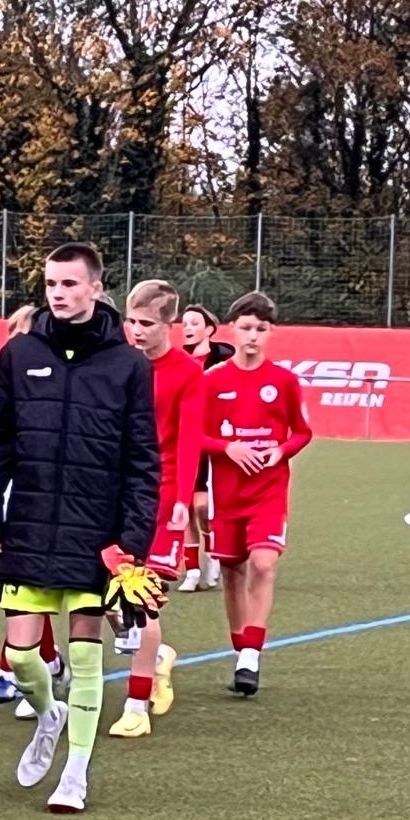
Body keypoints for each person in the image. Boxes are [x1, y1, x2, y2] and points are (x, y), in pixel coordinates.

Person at [0, 243, 161, 814]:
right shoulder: (19, 353)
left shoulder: (128, 366)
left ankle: (75, 773)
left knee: (87, 655)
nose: (59, 293)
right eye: (51, 284)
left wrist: (132, 541)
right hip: (28, 528)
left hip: (95, 535)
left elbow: (143, 461)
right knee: (23, 657)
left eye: (70, 283)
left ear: (95, 288)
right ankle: (50, 713)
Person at [202, 291, 312, 696]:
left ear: (270, 332)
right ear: (232, 329)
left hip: (268, 490)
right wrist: (226, 448)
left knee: (263, 564)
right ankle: (240, 652)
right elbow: (194, 434)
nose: (252, 336)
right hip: (226, 493)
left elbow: (302, 432)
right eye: (246, 327)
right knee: (232, 572)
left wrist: (279, 452)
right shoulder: (212, 381)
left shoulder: (284, 381)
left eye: (260, 329)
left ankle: (251, 654)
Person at [110, 280, 204, 739]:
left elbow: (189, 441)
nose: (137, 330)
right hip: (116, 495)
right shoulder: (119, 363)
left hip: (162, 498)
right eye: (131, 321)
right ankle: (158, 655)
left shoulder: (187, 373)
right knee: (107, 594)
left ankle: (136, 705)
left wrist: (183, 500)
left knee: (140, 599)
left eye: (146, 323)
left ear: (170, 324)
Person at [0, 305, 66, 712]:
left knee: (33, 586)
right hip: (6, 501)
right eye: (11, 330)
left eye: (24, 331)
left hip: (44, 503)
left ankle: (14, 669)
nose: (15, 338)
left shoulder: (55, 387)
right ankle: (46, 660)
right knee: (15, 585)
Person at [179, 304, 234, 592]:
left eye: (194, 323)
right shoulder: (178, 361)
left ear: (209, 329)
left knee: (204, 507)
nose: (187, 328)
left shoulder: (224, 361)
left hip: (211, 441)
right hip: (182, 440)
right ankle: (191, 570)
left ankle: (213, 555)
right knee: (185, 506)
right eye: (184, 323)